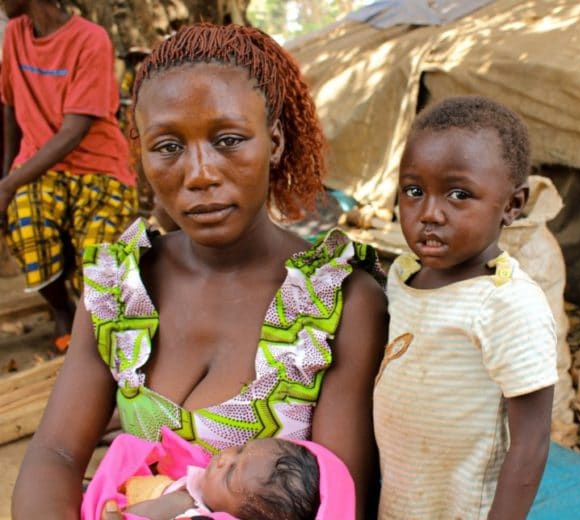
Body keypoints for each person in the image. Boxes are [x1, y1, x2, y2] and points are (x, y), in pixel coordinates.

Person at [12, 22, 388, 519]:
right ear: (141, 154)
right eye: (167, 146)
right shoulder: (118, 288)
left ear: (274, 143)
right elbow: (55, 453)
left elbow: (338, 499)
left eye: (228, 139)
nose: (200, 173)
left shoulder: (336, 303)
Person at [373, 96, 558, 519]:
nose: (429, 213)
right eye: (413, 191)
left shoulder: (505, 303)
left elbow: (531, 443)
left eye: (459, 194)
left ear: (511, 205)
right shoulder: (402, 279)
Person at [0, 0, 137, 352]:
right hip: (37, 167)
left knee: (101, 265)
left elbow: (74, 130)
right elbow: (11, 107)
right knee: (27, 226)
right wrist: (8, 176)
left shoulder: (91, 40)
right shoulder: (15, 33)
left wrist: (9, 184)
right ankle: (63, 312)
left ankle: (97, 329)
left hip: (101, 167)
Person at [84, 427, 354, 520]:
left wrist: (170, 504)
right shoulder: (203, 486)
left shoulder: (189, 511)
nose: (225, 457)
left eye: (231, 472)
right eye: (240, 448)